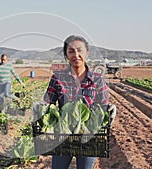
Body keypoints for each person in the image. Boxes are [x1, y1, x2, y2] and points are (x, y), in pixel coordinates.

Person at [43, 35, 117, 169]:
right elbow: (48, 103)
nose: (76, 55)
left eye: (79, 50)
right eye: (71, 51)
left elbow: (103, 106)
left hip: (88, 137)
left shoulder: (97, 79)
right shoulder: (57, 78)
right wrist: (40, 108)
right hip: (63, 136)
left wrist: (109, 110)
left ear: (87, 52)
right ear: (66, 55)